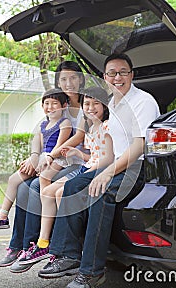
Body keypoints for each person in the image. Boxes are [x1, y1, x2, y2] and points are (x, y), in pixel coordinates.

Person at [37, 53, 160, 288]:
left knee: (99, 193)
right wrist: (97, 168)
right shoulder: (112, 103)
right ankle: (68, 255)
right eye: (111, 73)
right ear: (105, 77)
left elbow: (138, 145)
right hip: (115, 165)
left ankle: (93, 271)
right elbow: (110, 144)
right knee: (73, 185)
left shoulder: (143, 102)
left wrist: (107, 173)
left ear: (131, 75)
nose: (117, 77)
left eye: (122, 72)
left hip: (137, 167)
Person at [0, 61, 87, 273]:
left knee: (37, 185)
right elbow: (40, 135)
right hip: (52, 161)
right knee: (22, 185)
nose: (68, 83)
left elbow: (76, 140)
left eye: (73, 77)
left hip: (75, 162)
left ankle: (37, 245)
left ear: (81, 79)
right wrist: (34, 157)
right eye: (63, 79)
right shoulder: (55, 104)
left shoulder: (87, 105)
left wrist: (49, 155)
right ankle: (18, 246)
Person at [16, 87, 115, 266]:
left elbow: (108, 158)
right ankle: (44, 243)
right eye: (87, 104)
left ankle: (70, 241)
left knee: (61, 193)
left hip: (93, 171)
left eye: (96, 104)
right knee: (46, 192)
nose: (91, 108)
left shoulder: (107, 127)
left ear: (105, 106)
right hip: (85, 167)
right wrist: (76, 154)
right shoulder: (90, 127)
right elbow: (91, 156)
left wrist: (91, 168)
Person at [0, 88, 72, 230]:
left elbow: (60, 146)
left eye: (54, 103)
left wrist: (47, 159)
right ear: (42, 106)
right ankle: (2, 216)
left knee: (44, 177)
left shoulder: (64, 123)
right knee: (13, 179)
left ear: (64, 105)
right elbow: (40, 146)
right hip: (43, 157)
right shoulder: (43, 125)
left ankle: (45, 213)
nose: (50, 107)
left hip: (57, 158)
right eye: (46, 103)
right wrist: (34, 160)